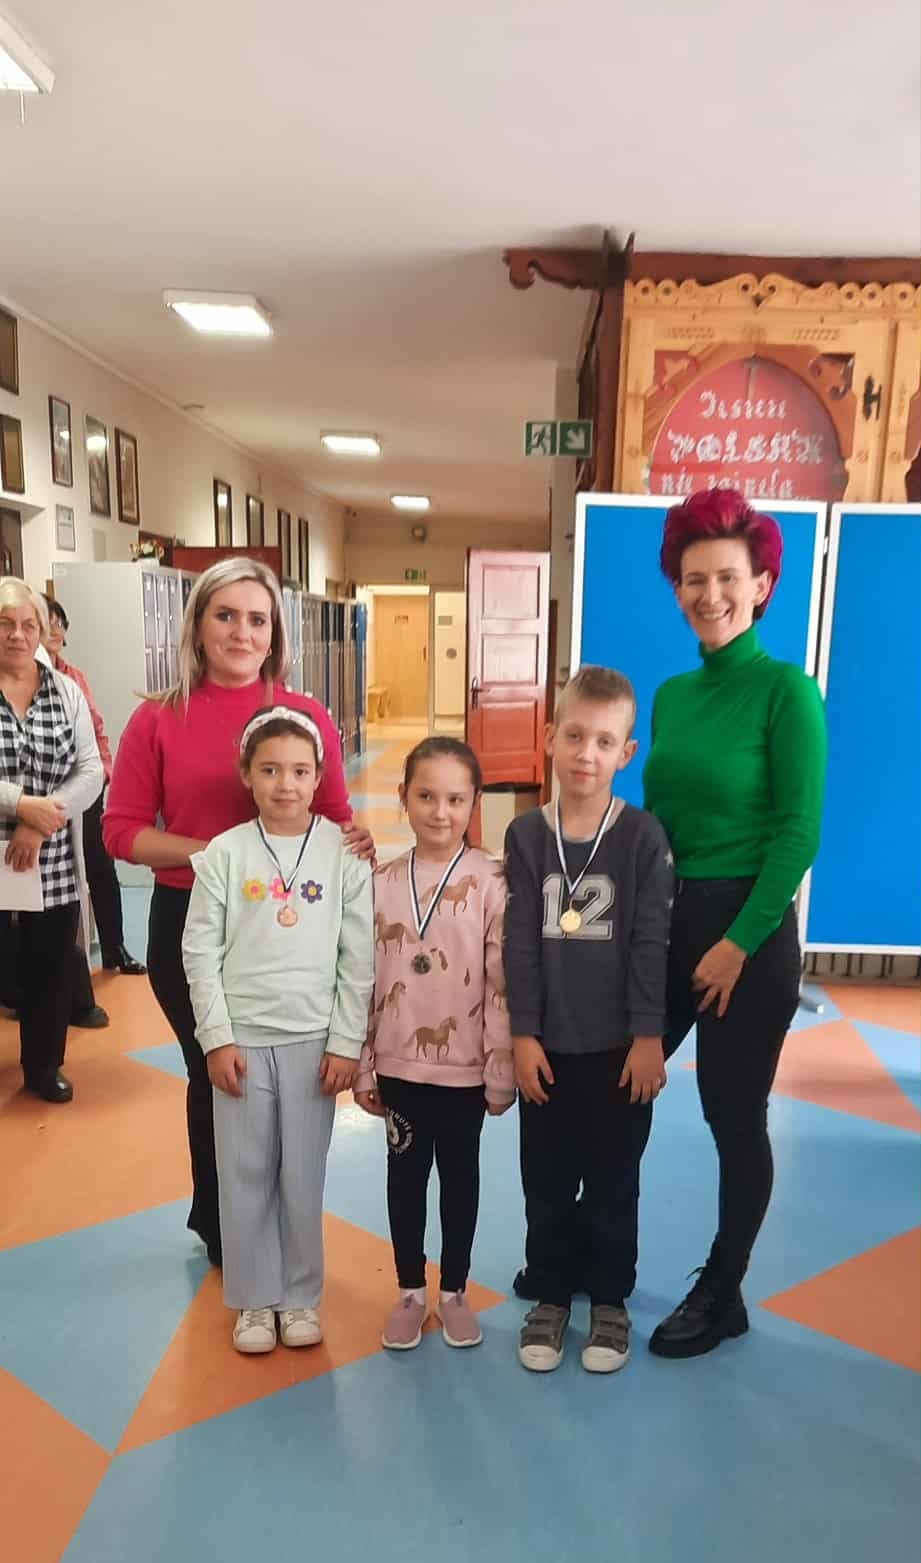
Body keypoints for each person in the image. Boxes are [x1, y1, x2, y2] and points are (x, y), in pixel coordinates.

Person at [104, 557, 372, 1267]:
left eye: (257, 619)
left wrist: (358, 845)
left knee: (289, 1077)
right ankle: (223, 1220)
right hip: (191, 919)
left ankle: (284, 1214)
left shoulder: (307, 716)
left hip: (290, 926)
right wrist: (224, 857)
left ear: (275, 632)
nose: (241, 632)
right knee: (219, 1072)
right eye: (225, 615)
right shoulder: (157, 719)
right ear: (197, 624)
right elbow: (122, 831)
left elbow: (335, 817)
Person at [643, 488, 827, 1359]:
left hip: (745, 930)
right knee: (618, 1079)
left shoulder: (787, 691)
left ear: (760, 586)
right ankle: (587, 1244)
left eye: (726, 576)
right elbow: (658, 823)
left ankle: (723, 1288)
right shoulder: (672, 695)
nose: (708, 593)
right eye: (692, 578)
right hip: (667, 918)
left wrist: (735, 944)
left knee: (731, 1112)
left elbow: (796, 833)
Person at [182, 705, 374, 1353]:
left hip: (313, 1042)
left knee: (302, 1177)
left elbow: (358, 956)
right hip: (242, 1041)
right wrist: (216, 1038)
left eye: (298, 770)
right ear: (246, 774)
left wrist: (345, 1042)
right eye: (269, 770)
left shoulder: (343, 853)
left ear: (319, 775)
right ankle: (254, 1299)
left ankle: (298, 1296)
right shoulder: (223, 854)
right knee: (244, 1172)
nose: (285, 783)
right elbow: (198, 953)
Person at [504, 666, 673, 1374]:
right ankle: (549, 1294)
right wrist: (521, 1034)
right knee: (544, 1184)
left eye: (604, 741)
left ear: (625, 753)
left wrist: (647, 1036)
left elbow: (650, 943)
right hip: (546, 1049)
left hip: (616, 1052)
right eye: (574, 735)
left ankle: (608, 1299)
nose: (586, 754)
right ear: (549, 737)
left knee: (612, 1183)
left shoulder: (641, 837)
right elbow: (518, 942)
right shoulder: (524, 835)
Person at [354, 738, 515, 1351]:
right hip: (399, 1069)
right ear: (403, 798)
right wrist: (364, 1066)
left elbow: (501, 984)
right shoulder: (380, 883)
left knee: (460, 1179)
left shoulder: (492, 882)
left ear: (474, 802)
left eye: (454, 799)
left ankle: (453, 1291)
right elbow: (362, 980)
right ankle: (408, 1291)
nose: (440, 812)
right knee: (404, 1179)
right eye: (425, 796)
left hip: (466, 1074)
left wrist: (499, 1070)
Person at [0, 579, 104, 1102]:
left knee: (50, 965)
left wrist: (40, 820)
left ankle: (43, 1066)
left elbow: (91, 770)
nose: (17, 635)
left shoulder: (66, 691)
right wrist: (20, 804)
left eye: (28, 625)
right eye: (4, 623)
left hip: (52, 857)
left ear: (42, 632)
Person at [43, 595, 145, 976]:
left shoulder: (74, 676)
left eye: (59, 622)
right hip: (43, 796)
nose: (55, 630)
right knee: (54, 874)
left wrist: (103, 770)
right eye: (48, 621)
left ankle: (115, 947)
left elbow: (97, 725)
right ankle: (64, 963)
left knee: (100, 866)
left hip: (86, 787)